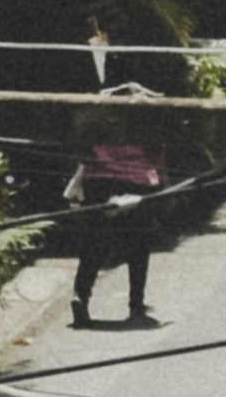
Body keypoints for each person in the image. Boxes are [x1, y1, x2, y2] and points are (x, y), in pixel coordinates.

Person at [57, 128, 174, 333]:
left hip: (98, 181)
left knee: (94, 240)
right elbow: (156, 153)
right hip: (137, 180)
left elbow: (81, 153)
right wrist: (164, 182)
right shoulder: (144, 117)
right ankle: (136, 305)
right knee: (138, 244)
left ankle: (81, 296)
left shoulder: (96, 117)